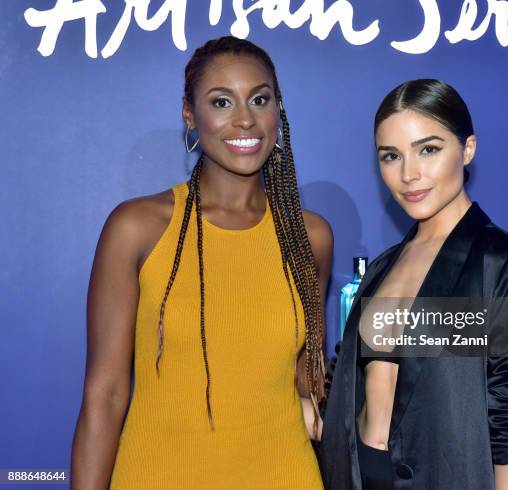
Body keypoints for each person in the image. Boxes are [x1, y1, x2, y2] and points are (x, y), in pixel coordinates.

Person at [70, 36, 332, 489]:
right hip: (158, 475)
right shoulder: (138, 227)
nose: (245, 119)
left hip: (285, 474)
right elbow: (106, 394)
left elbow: (307, 382)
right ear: (189, 114)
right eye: (221, 101)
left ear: (278, 110)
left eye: (260, 99)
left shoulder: (309, 236)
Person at [319, 79, 508, 490]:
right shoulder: (381, 269)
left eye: (428, 149)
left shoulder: (502, 260)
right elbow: (344, 396)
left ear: (467, 149)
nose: (409, 174)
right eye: (391, 156)